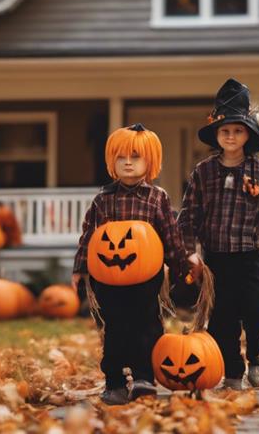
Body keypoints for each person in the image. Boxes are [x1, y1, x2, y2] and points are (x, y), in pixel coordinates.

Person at [72, 123, 203, 405]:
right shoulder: (103, 200)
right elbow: (89, 235)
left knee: (147, 325)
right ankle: (115, 381)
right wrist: (80, 268)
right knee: (116, 327)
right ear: (112, 162)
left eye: (135, 157)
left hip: (147, 277)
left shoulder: (158, 198)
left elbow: (170, 235)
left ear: (150, 161)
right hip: (108, 278)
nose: (128, 163)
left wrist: (182, 265)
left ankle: (144, 376)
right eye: (121, 157)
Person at [178, 78, 259, 390]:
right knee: (222, 320)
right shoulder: (203, 173)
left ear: (248, 135)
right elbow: (188, 217)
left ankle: (255, 354)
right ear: (217, 134)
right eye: (225, 130)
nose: (231, 136)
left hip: (252, 256)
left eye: (237, 130)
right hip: (217, 259)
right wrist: (189, 253)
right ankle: (232, 371)